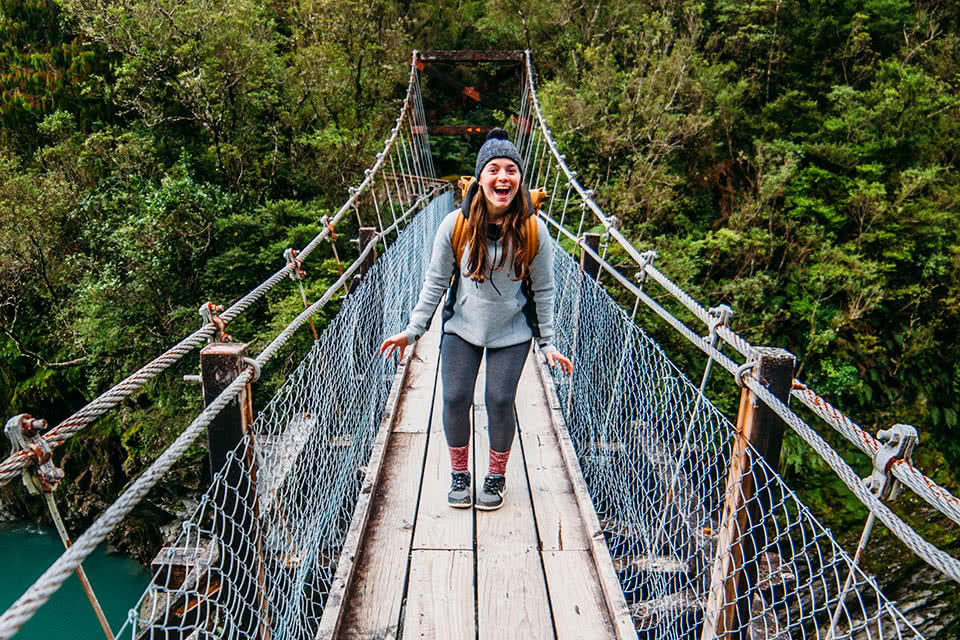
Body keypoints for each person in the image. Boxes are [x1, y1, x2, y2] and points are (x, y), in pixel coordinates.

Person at [380, 128, 573, 511]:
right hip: (462, 327)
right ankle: (459, 475)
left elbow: (545, 290)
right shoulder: (455, 225)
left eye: (511, 170)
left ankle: (495, 477)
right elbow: (435, 282)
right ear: (480, 177)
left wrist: (548, 343)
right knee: (454, 398)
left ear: (520, 180)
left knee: (499, 401)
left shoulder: (535, 230)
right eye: (494, 169)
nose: (503, 177)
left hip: (512, 331)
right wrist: (413, 331)